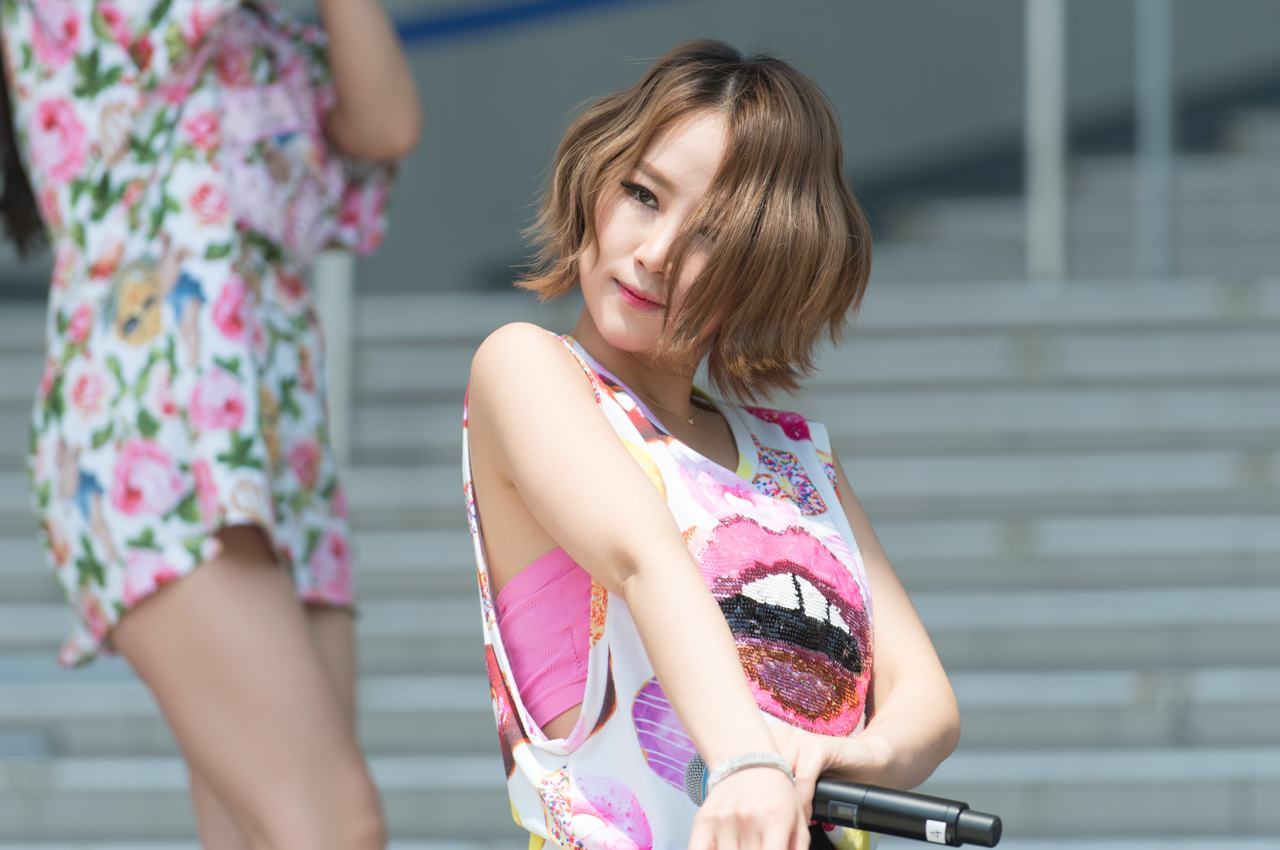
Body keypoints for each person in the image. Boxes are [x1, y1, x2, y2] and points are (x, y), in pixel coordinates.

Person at [464, 39, 959, 850]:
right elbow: (642, 557)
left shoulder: (798, 461)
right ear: (595, 179)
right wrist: (746, 762)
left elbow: (926, 699)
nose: (655, 254)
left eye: (710, 236)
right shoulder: (526, 366)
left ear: (769, 267)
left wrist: (853, 757)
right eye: (643, 195)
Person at [0, 0, 421, 844]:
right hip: (151, 421)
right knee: (335, 825)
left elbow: (385, 125)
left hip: (279, 433)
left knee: (260, 832)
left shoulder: (268, 35)